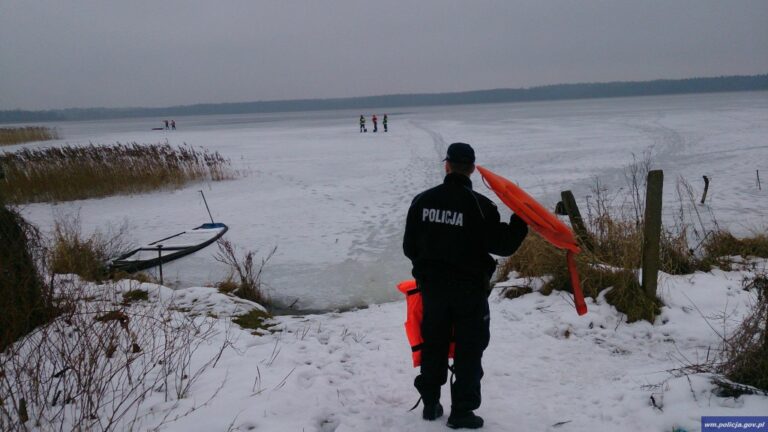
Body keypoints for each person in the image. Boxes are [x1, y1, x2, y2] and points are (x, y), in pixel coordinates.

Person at [403, 142, 528, 429]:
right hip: (470, 291)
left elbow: (409, 247)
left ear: (447, 165)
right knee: (469, 349)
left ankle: (431, 403)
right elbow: (504, 245)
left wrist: (428, 268)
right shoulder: (482, 206)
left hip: (433, 290)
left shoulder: (422, 201)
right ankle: (462, 411)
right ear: (471, 168)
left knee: (433, 344)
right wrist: (521, 218)